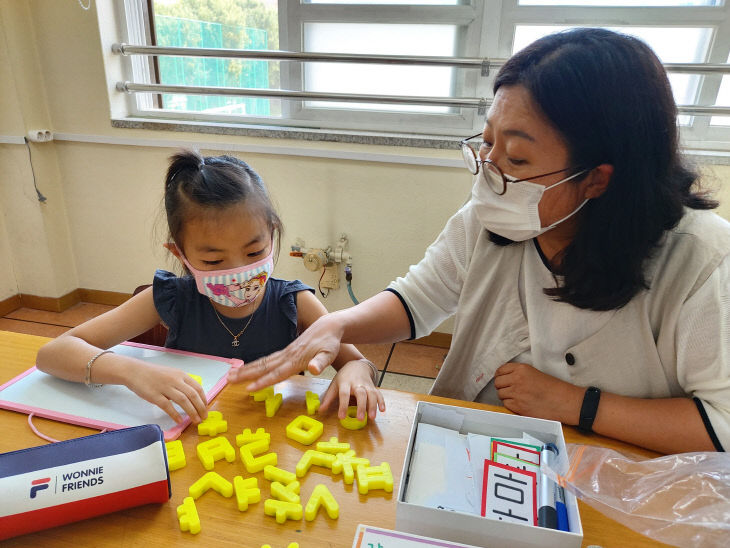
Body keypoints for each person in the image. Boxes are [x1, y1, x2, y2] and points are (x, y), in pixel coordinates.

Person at [228, 28, 730, 455]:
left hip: (612, 474)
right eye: (487, 142)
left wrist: (579, 405)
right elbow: (417, 300)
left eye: (515, 160)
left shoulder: (701, 263)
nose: (490, 173)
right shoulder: (492, 219)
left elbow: (720, 426)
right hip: (475, 445)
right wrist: (338, 325)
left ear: (598, 179)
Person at [36, 151, 384, 424]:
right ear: (180, 253)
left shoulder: (295, 302)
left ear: (273, 234)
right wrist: (131, 371)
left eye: (254, 251)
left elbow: (359, 364)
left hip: (273, 447)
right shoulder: (169, 298)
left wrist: (357, 371)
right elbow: (52, 354)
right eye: (214, 261)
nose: (238, 272)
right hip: (193, 438)